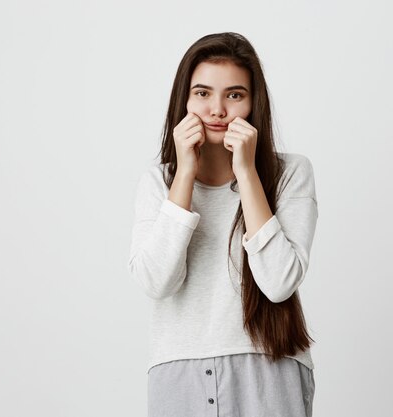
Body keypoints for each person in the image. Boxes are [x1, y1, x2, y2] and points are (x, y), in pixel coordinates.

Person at [127, 32, 319, 417]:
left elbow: (280, 283)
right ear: (184, 99)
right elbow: (155, 281)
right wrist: (184, 175)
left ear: (253, 103)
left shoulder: (289, 173)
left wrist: (246, 173)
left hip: (269, 366)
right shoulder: (159, 180)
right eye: (202, 93)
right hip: (177, 369)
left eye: (234, 95)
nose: (217, 110)